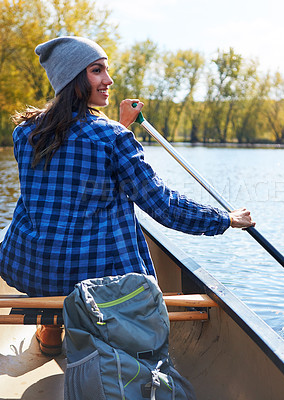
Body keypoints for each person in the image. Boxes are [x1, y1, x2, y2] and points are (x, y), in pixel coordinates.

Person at [0, 37, 255, 355]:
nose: (108, 80)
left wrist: (118, 126)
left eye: (106, 70)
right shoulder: (114, 138)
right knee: (111, 227)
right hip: (95, 283)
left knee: (61, 236)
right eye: (97, 71)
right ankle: (102, 335)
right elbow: (163, 206)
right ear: (73, 79)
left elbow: (80, 165)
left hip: (34, 270)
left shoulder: (25, 133)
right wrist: (225, 219)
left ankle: (50, 332)